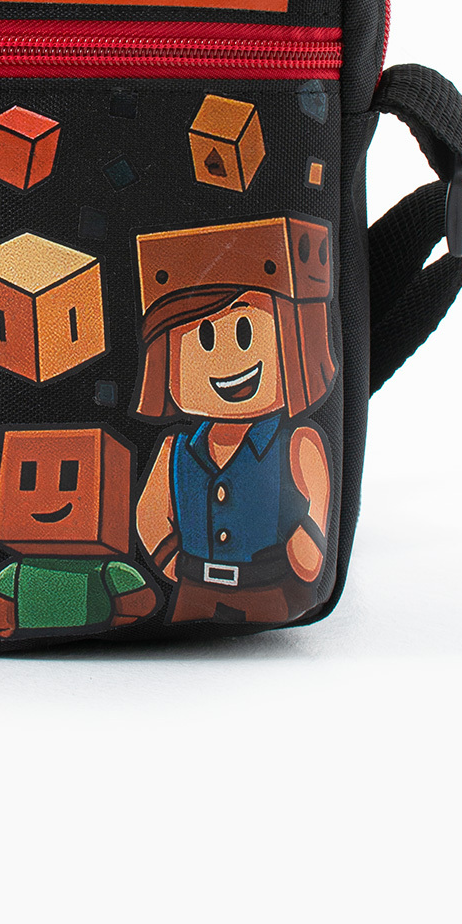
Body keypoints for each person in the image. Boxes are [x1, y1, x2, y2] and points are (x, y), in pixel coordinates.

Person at [131, 217, 336, 626]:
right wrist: (172, 560)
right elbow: (149, 513)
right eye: (204, 339)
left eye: (246, 331)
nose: (228, 360)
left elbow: (316, 506)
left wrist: (304, 548)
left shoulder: (296, 444)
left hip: (269, 588)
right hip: (192, 589)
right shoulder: (175, 450)